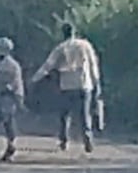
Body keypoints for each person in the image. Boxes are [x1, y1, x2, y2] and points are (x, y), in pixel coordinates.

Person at [29, 22, 101, 153]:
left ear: (63, 33)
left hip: (66, 85)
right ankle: (87, 138)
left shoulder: (61, 48)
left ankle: (64, 141)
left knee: (64, 115)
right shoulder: (85, 45)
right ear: (75, 32)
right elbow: (93, 64)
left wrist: (34, 79)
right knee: (84, 114)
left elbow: (48, 66)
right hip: (84, 84)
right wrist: (96, 82)